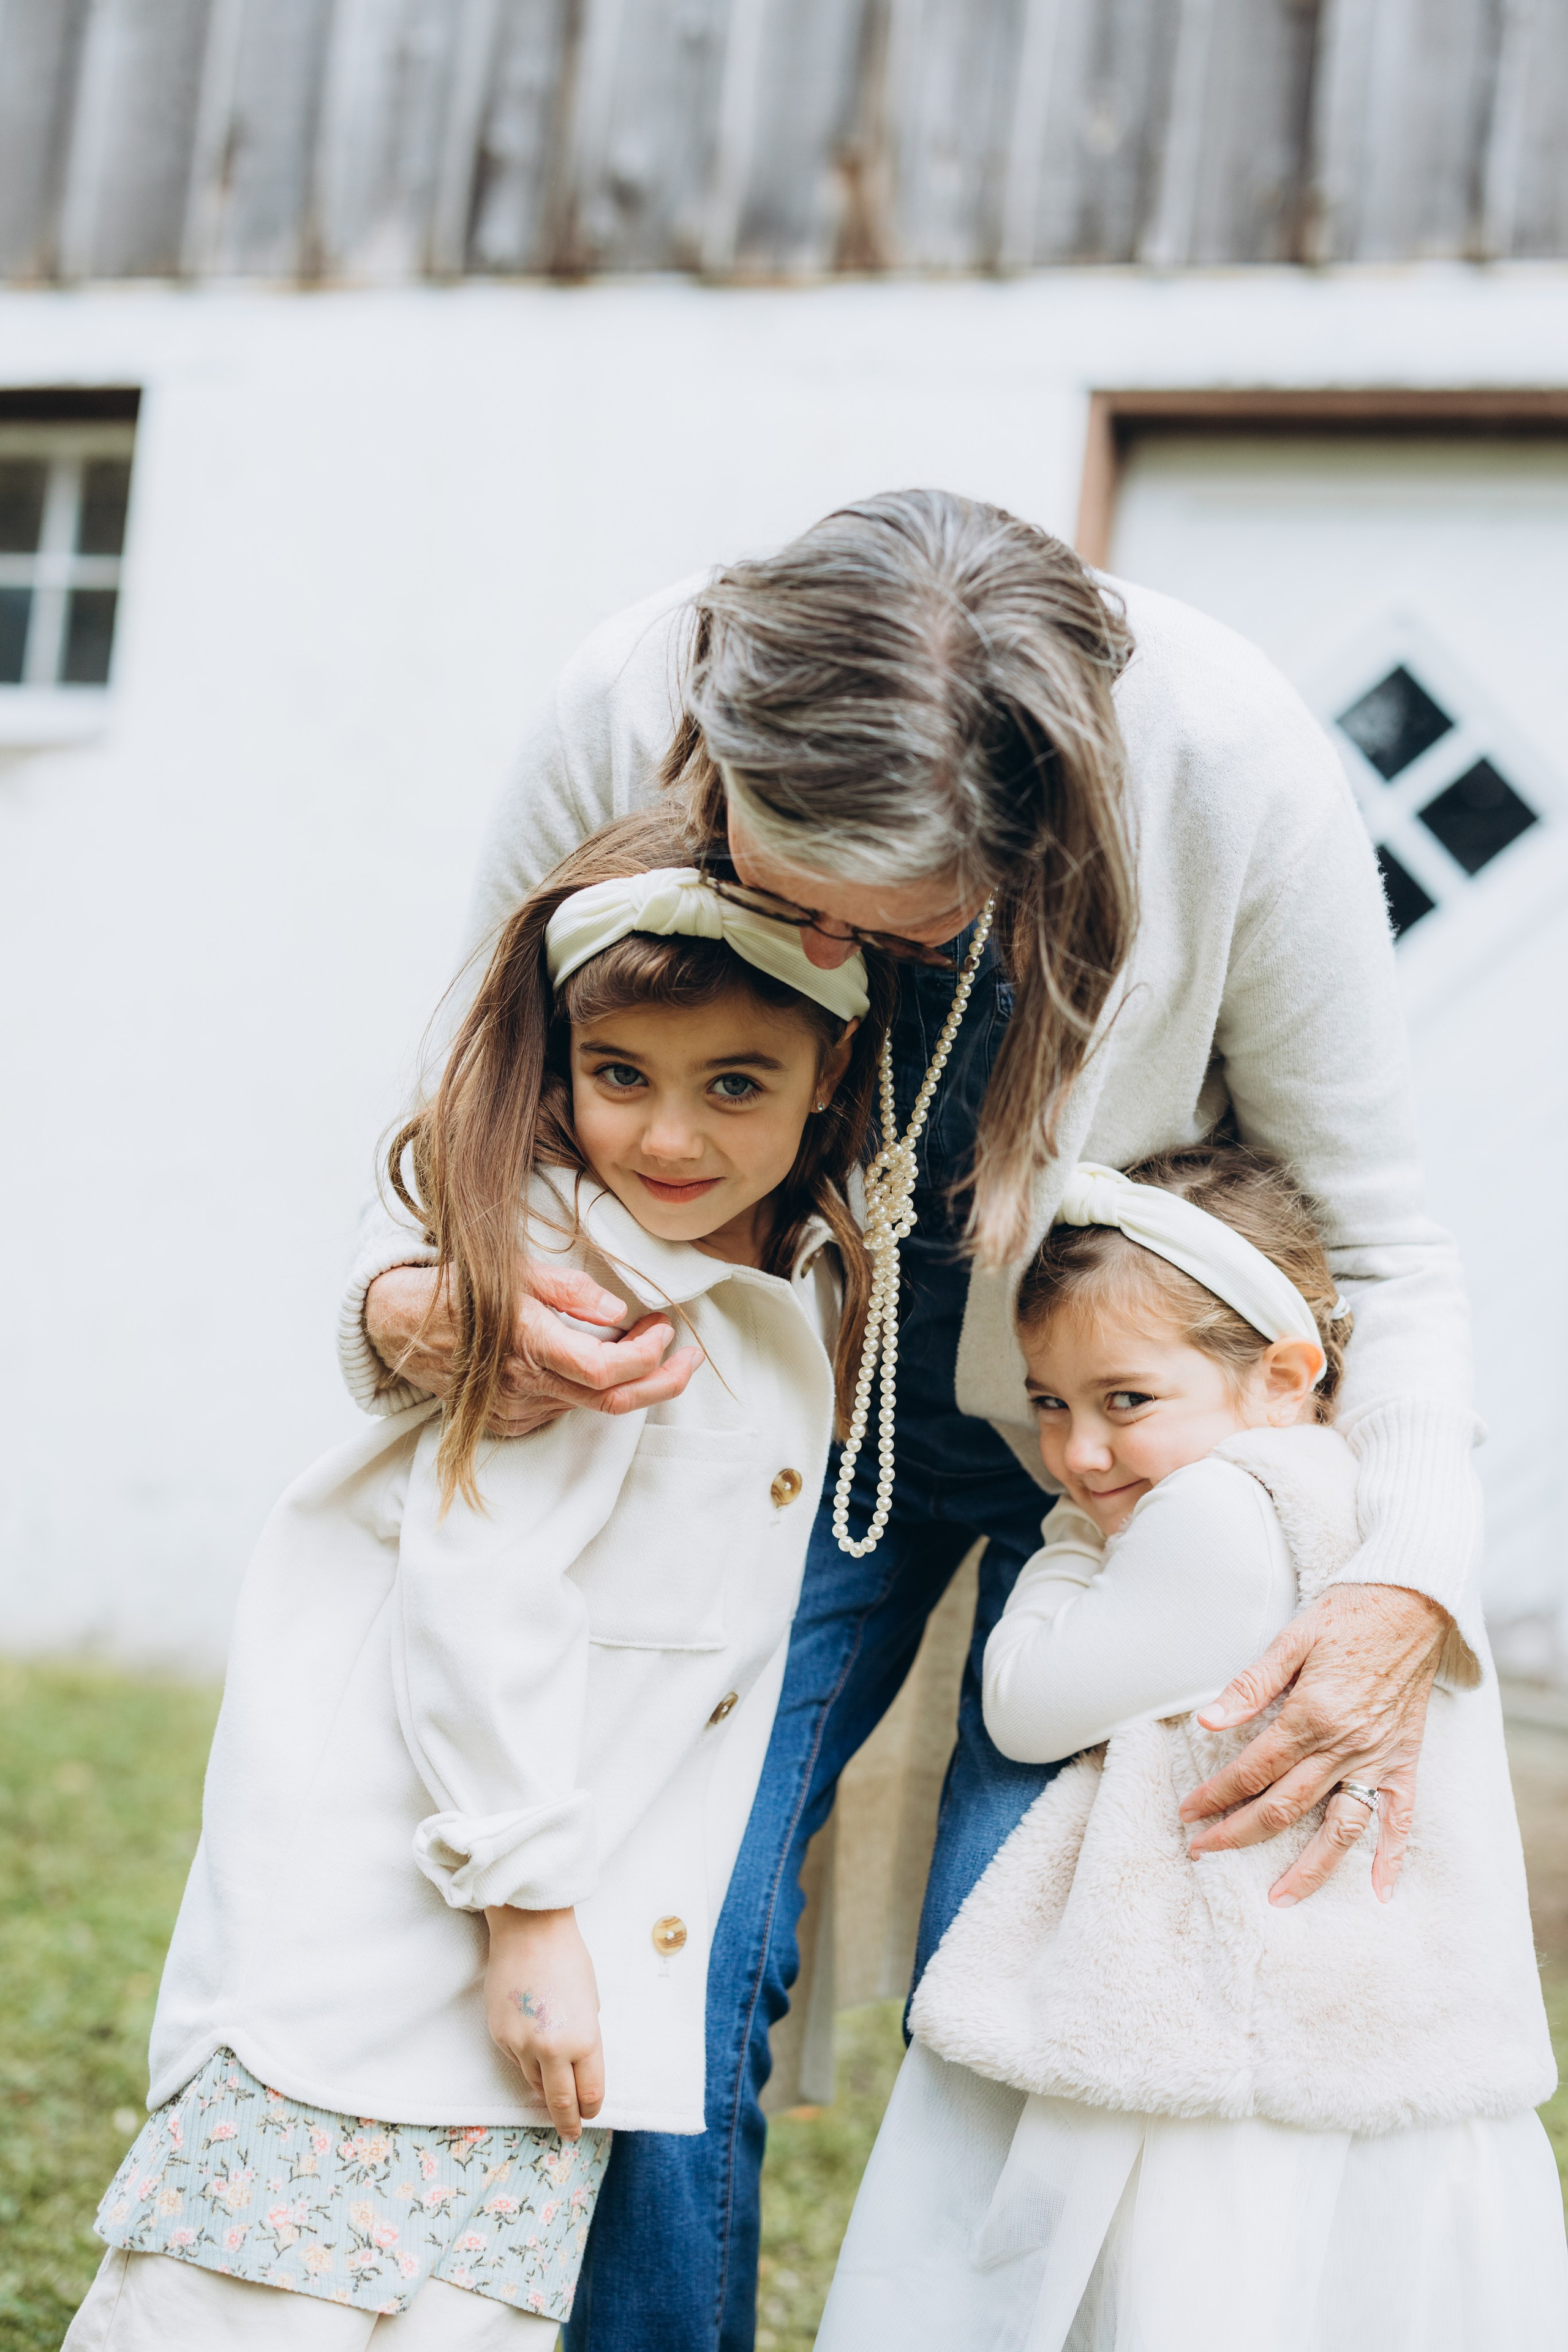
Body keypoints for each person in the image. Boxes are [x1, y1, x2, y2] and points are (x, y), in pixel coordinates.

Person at [344, 490, 1481, 2352]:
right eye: (766, 890)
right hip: (754, 1411)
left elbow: (1385, 1229)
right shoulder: (620, 706)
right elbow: (475, 1115)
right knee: (670, 1922)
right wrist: (414, 1303)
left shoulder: (1232, 758)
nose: (811, 945)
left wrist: (1405, 1582)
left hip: (1130, 1454)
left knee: (1048, 1965)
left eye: (884, 927)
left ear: (1037, 841)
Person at [67, 805, 894, 2350]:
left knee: (450, 2301)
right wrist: (525, 1910)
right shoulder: (583, 1293)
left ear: (826, 1076)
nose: (668, 1138)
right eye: (619, 1077)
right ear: (560, 1062)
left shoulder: (773, 1284)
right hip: (433, 1901)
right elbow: (482, 1586)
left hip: (533, 1909)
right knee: (270, 2294)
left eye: (737, 1085)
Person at [818, 1145, 1567, 2351]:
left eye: (1125, 1401)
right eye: (1048, 1404)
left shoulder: (1216, 1513)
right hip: (1344, 2016)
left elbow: (1022, 1702)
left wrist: (1062, 1541)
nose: (1080, 1454)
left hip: (1208, 2035)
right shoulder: (1365, 1503)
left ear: (1280, 1375)